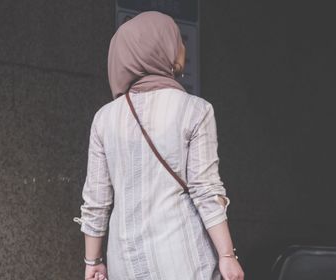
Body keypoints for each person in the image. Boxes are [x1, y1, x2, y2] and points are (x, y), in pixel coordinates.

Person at [73, 10, 245, 280]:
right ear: (162, 46)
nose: (182, 47)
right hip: (184, 259)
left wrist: (92, 261)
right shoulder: (195, 110)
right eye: (177, 39)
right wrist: (226, 255)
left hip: (125, 264)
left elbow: (96, 200)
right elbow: (205, 190)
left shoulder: (104, 119)